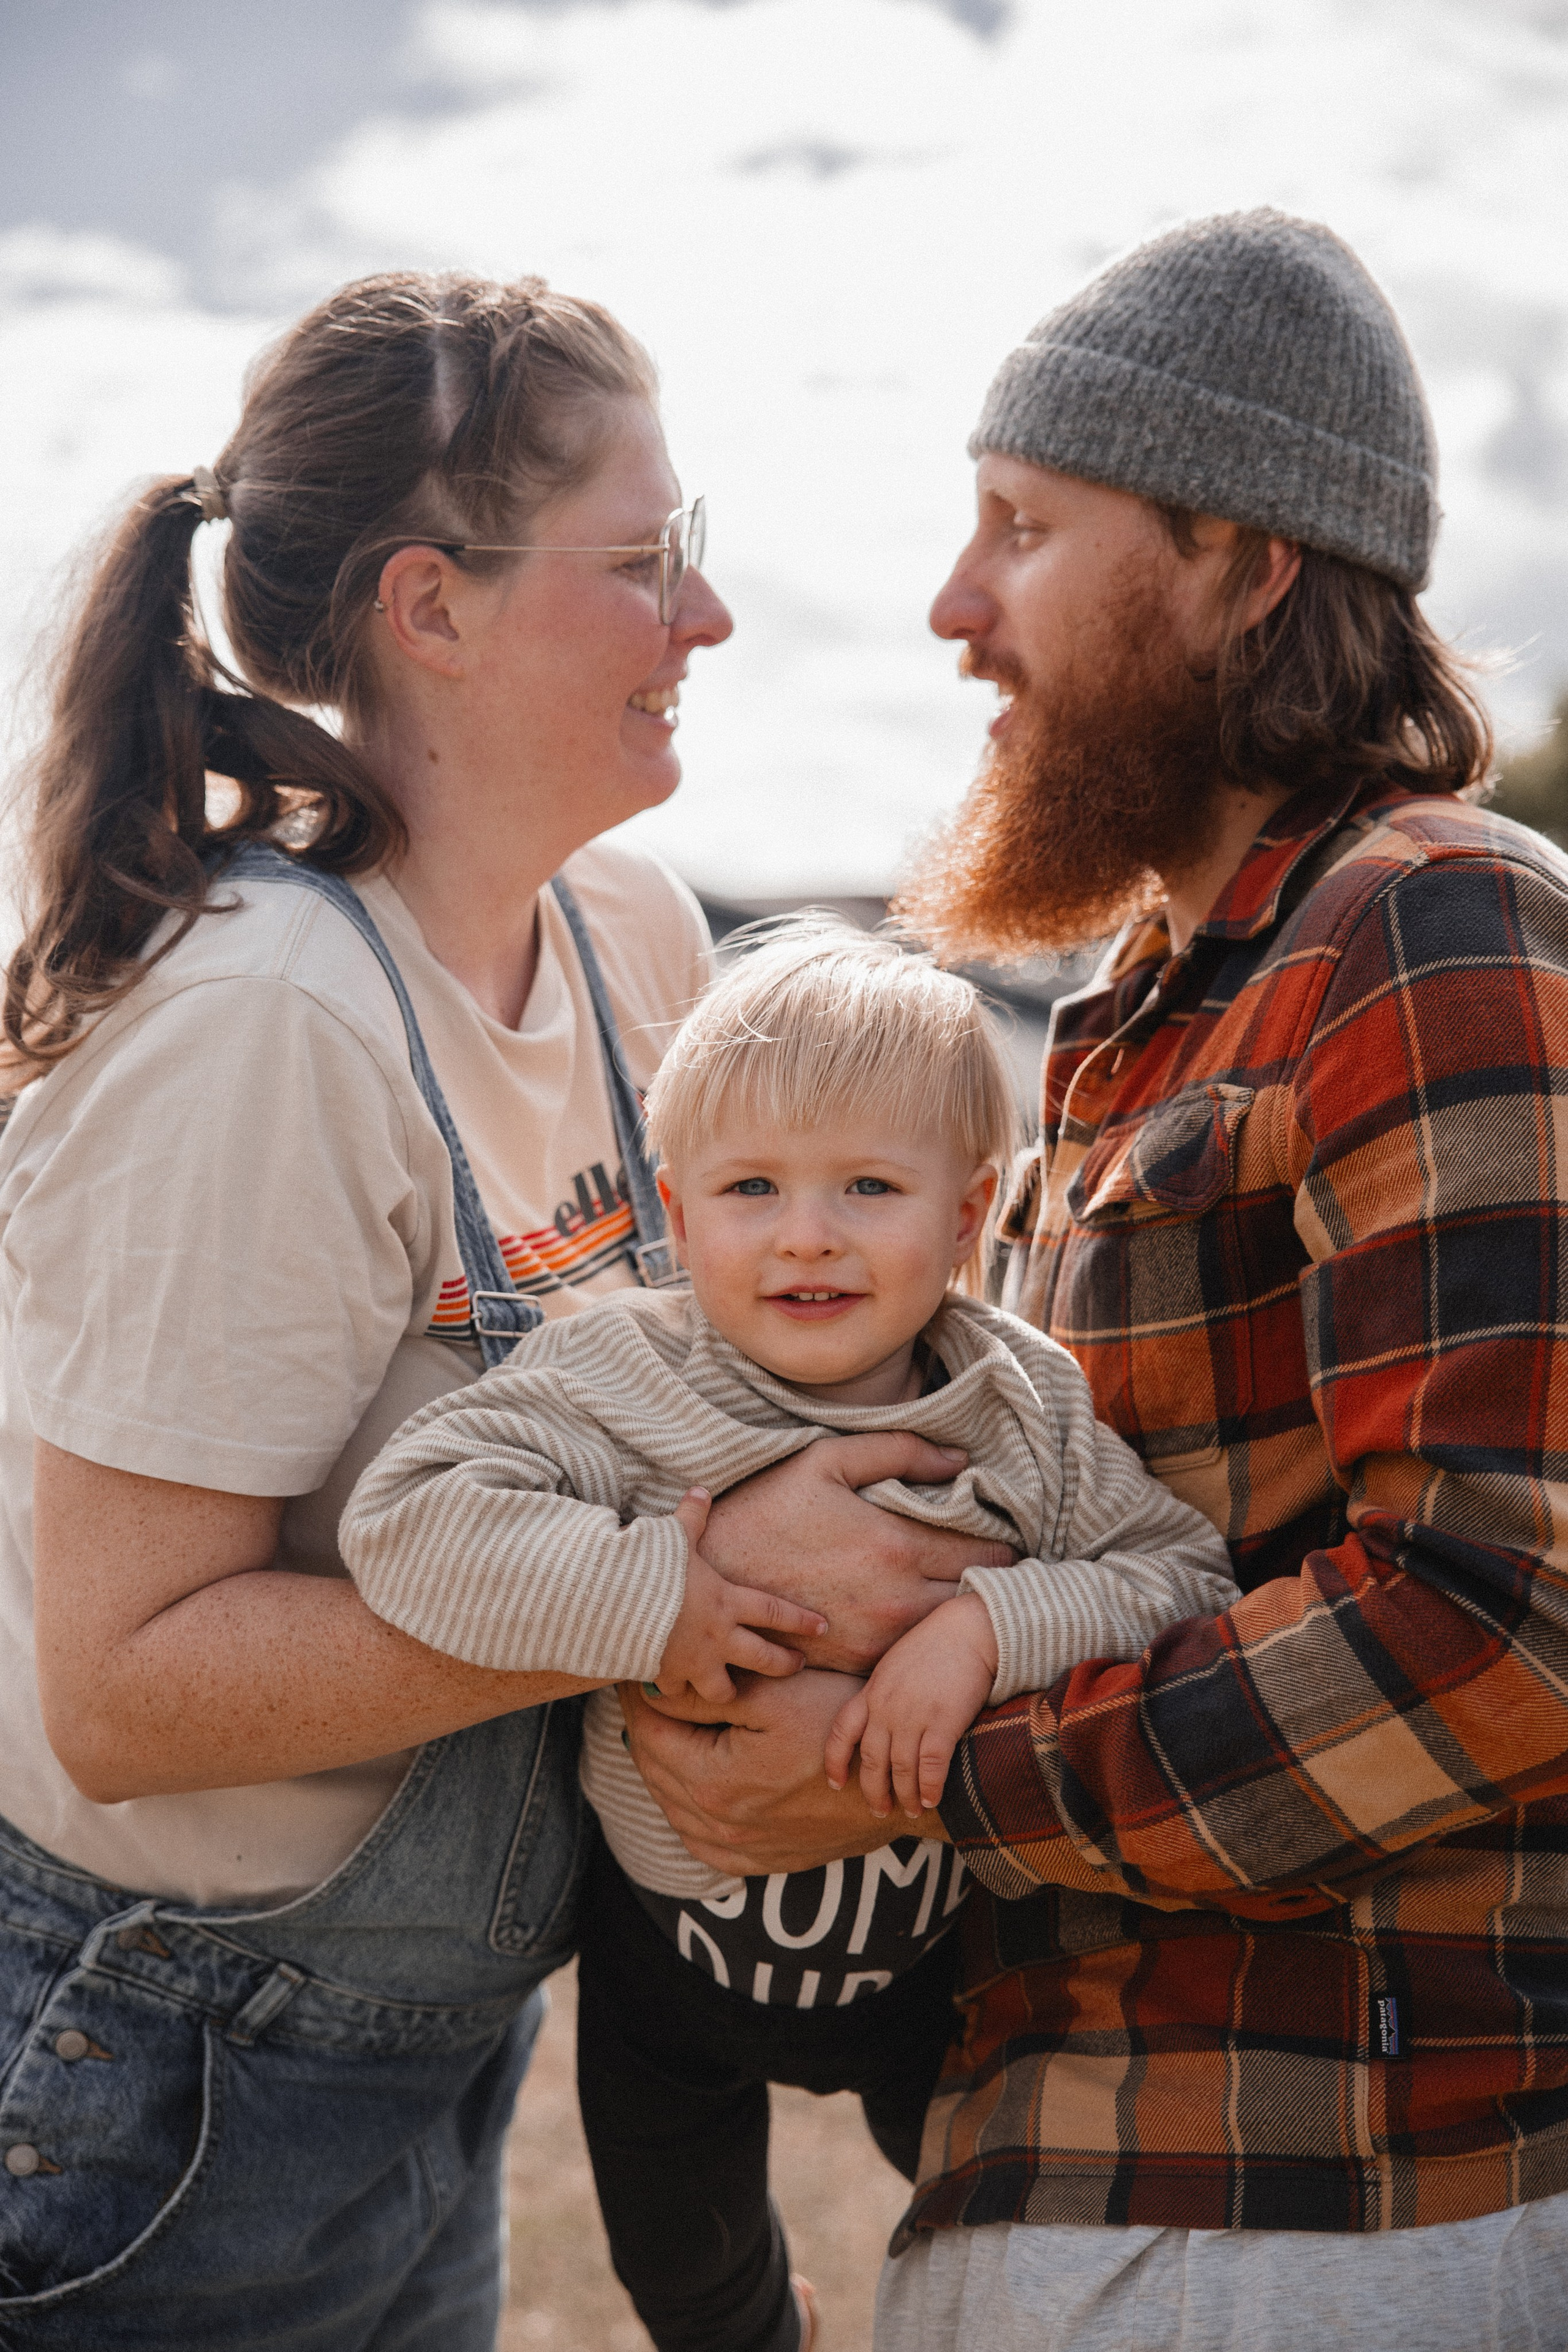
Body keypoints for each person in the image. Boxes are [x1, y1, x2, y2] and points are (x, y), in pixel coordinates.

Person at [617, 210, 1568, 2351]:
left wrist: (923, 1764)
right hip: (1089, 2178)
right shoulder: (1143, 1008)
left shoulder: (1427, 928)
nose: (955, 609)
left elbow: (1510, 1610)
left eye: (1021, 530)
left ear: (1242, 557)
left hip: (1340, 2211)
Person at [0, 265, 751, 2349]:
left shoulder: (628, 935)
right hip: (165, 2078)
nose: (706, 619)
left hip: (428, 2059)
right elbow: (126, 1690)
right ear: (436, 607)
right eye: (646, 559)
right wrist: (659, 1608)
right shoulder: (260, 1020)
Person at [339, 922, 1238, 2352]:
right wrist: (654, 1596)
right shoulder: (618, 1373)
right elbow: (404, 1520)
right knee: (686, 2281)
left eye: (867, 1187)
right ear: (678, 1213)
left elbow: (1180, 1576)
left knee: (1025, 2261)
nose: (805, 1232)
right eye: (751, 1187)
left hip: (939, 1974)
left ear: (967, 1215)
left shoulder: (1022, 1408)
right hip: (664, 1966)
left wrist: (989, 1627)